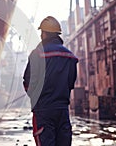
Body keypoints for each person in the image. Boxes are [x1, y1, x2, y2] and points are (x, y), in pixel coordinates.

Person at [23, 16, 78, 146]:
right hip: (62, 110)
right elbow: (71, 83)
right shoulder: (69, 56)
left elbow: (27, 82)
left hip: (43, 110)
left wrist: (37, 98)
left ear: (44, 33)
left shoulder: (37, 54)